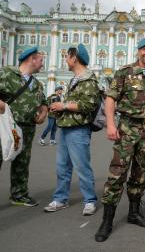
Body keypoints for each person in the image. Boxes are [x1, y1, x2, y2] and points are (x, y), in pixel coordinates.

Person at [95, 38, 145, 242]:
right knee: (117, 173)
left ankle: (134, 212)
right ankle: (107, 220)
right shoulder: (124, 73)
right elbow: (111, 99)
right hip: (128, 128)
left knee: (141, 173)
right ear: (139, 51)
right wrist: (110, 124)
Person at [44, 44, 99, 216]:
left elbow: (90, 105)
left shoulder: (89, 79)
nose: (65, 60)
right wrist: (60, 107)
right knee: (62, 167)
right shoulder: (75, 78)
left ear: (74, 58)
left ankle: (90, 200)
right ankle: (60, 199)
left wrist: (64, 105)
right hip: (66, 127)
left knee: (82, 167)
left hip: (79, 129)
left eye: (67, 56)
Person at [0, 47, 48, 206]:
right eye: (41, 60)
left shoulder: (37, 84)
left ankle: (19, 194)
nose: (43, 64)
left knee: (22, 161)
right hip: (4, 126)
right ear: (32, 59)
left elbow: (43, 102)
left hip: (27, 128)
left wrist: (44, 110)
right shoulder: (7, 74)